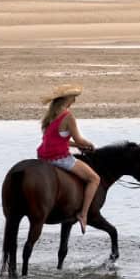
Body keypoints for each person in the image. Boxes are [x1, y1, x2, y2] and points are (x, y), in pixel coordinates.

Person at [37, 84, 102, 234]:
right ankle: (83, 214)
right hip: (59, 158)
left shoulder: (50, 116)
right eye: (73, 98)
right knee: (94, 179)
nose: (74, 101)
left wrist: (75, 145)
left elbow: (57, 139)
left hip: (44, 157)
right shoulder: (68, 116)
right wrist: (88, 144)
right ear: (67, 99)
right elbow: (79, 139)